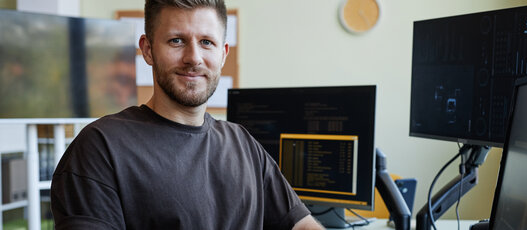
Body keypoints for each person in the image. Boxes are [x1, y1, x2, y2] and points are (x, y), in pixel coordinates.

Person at [50, 0, 324, 229]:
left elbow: (301, 225)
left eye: (207, 42)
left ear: (223, 54)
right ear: (147, 49)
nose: (194, 57)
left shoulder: (243, 144)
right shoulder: (100, 147)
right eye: (177, 40)